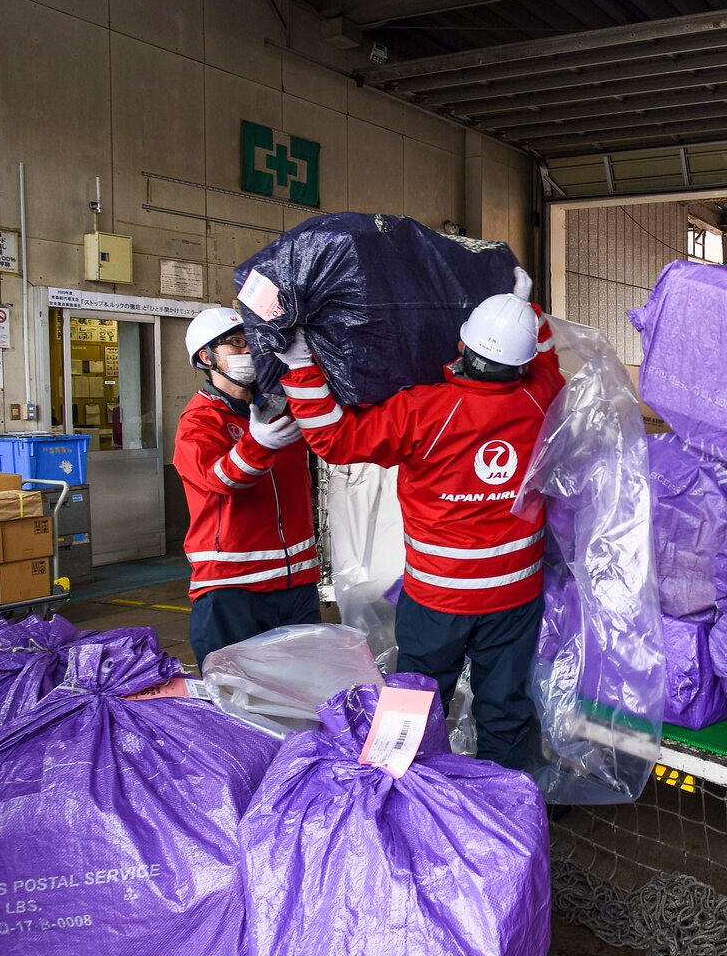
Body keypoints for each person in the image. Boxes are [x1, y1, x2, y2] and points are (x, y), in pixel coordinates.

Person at [277, 267, 561, 772]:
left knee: (414, 704)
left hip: (438, 599)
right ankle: (501, 812)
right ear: (520, 364)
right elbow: (545, 358)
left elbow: (335, 440)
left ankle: (402, 797)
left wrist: (301, 365)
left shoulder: (423, 411)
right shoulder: (540, 400)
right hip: (514, 599)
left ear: (462, 344)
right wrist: (525, 308)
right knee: (505, 711)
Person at [173, 306, 320, 663]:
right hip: (232, 587)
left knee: (303, 693)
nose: (248, 351)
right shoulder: (198, 422)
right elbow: (220, 478)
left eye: (251, 341)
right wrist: (258, 444)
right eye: (236, 343)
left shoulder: (279, 410)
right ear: (207, 357)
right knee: (240, 702)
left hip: (296, 581)